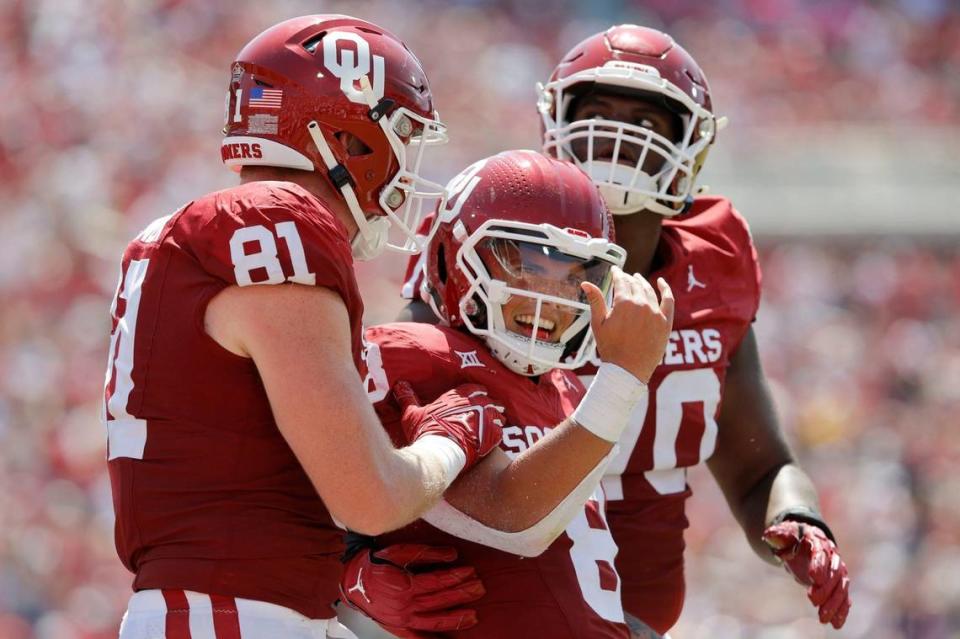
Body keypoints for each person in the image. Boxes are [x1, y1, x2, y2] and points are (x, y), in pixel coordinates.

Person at [396, 25, 851, 636]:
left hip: (631, 617)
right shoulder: (488, 232)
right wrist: (355, 560)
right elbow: (386, 424)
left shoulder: (715, 256)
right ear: (556, 122)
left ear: (689, 147)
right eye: (599, 112)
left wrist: (800, 518)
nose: (617, 135)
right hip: (495, 606)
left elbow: (759, 464)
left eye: (645, 121)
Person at [101, 15, 506, 639]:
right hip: (232, 614)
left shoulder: (186, 234)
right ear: (344, 135)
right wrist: (452, 437)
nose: (406, 162)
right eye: (397, 132)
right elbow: (369, 496)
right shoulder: (277, 218)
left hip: (224, 608)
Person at [337, 150, 674, 639]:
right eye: (525, 260)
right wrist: (346, 572)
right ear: (454, 253)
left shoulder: (570, 390)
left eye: (576, 275)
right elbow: (516, 519)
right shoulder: (412, 354)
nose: (551, 295)